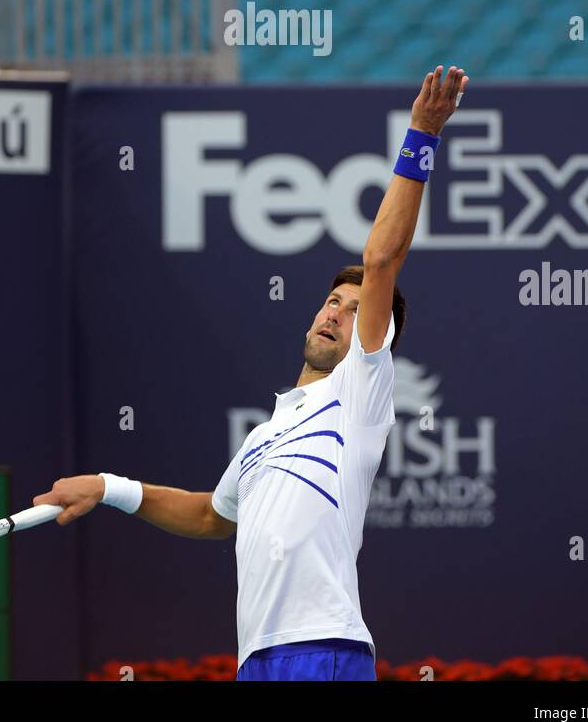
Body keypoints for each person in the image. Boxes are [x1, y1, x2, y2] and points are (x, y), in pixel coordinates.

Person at [35, 65, 469, 682]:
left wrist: (422, 134)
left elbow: (382, 259)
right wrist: (108, 485)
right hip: (256, 660)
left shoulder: (361, 391)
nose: (337, 316)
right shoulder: (261, 439)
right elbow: (212, 515)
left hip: (326, 647)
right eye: (331, 303)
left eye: (356, 310)